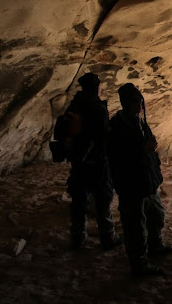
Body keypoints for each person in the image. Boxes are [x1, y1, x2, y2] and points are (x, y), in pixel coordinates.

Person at [108, 83, 172, 276]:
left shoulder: (139, 122)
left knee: (156, 215)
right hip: (131, 184)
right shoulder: (117, 126)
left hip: (147, 180)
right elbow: (116, 156)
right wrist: (141, 150)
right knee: (134, 226)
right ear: (126, 104)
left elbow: (147, 142)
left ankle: (156, 245)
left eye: (139, 102)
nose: (139, 106)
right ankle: (139, 265)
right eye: (135, 103)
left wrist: (150, 148)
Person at [65, 72, 121, 251]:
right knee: (103, 201)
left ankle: (78, 238)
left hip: (79, 161)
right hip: (97, 162)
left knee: (79, 200)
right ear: (97, 87)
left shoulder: (74, 105)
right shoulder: (97, 107)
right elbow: (104, 136)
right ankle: (108, 237)